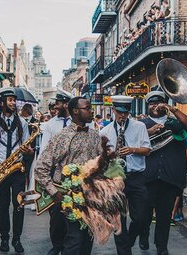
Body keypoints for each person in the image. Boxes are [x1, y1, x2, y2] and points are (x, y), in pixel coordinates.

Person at [35, 97, 101, 255]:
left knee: (87, 240)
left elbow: (101, 164)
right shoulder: (61, 137)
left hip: (90, 197)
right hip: (68, 199)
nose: (92, 111)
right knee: (74, 240)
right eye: (88, 108)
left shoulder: (94, 135)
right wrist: (54, 192)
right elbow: (40, 167)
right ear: (76, 111)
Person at [138, 91, 187, 255]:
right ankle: (143, 235)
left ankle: (161, 246)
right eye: (152, 103)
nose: (155, 106)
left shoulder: (175, 122)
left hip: (169, 178)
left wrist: (173, 109)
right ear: (148, 106)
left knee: (164, 216)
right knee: (144, 213)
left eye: (159, 102)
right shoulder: (141, 125)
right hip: (147, 177)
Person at [0, 87, 33, 253]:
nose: (13, 103)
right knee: (3, 205)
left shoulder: (23, 123)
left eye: (14, 100)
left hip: (17, 169)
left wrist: (29, 152)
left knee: (19, 204)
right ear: (1, 102)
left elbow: (26, 145)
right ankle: (4, 238)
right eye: (10, 100)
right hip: (0, 167)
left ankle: (17, 239)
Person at [100, 95, 151, 255]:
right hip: (114, 179)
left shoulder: (139, 126)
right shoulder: (105, 131)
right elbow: (100, 157)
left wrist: (132, 150)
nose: (122, 116)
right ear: (113, 110)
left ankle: (129, 240)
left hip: (135, 177)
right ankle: (124, 252)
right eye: (120, 112)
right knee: (118, 221)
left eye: (126, 112)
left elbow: (147, 150)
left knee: (141, 217)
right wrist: (108, 155)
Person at [38, 89, 73, 255]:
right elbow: (45, 149)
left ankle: (69, 245)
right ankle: (57, 245)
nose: (55, 106)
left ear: (66, 104)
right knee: (56, 213)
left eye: (58, 103)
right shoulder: (52, 124)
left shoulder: (78, 121)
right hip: (56, 173)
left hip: (75, 174)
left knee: (73, 211)